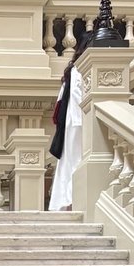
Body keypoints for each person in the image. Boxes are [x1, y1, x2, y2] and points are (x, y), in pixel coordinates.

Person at [48, 32, 90, 212]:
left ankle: (64, 200)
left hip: (73, 122)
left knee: (70, 162)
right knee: (75, 161)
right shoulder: (80, 69)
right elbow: (78, 97)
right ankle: (71, 199)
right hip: (78, 121)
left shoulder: (73, 69)